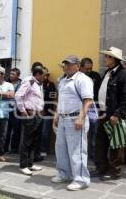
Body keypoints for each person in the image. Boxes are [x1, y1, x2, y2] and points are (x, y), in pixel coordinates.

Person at [91, 47, 126, 181]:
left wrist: (117, 114)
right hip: (103, 113)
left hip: (114, 114)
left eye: (108, 57)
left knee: (116, 144)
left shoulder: (124, 75)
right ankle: (101, 168)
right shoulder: (108, 73)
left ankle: (114, 171)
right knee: (100, 142)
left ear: (114, 59)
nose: (105, 59)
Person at [52, 55, 93, 191]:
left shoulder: (83, 79)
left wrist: (81, 118)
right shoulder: (63, 80)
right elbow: (61, 100)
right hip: (63, 119)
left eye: (69, 64)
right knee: (61, 149)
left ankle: (81, 180)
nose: (66, 66)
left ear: (77, 65)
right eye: (65, 64)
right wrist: (56, 115)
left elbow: (88, 101)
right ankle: (64, 174)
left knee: (77, 151)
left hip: (76, 119)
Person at [15, 62, 46, 176]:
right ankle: (23, 165)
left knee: (34, 141)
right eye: (43, 75)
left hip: (38, 114)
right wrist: (23, 111)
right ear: (37, 74)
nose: (45, 77)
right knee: (26, 141)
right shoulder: (30, 81)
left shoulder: (39, 84)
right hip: (29, 114)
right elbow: (18, 95)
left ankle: (30, 163)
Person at [80, 58, 102, 161]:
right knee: (80, 132)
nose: (89, 71)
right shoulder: (77, 77)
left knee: (94, 133)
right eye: (87, 68)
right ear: (81, 67)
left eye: (91, 68)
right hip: (80, 108)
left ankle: (92, 155)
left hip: (93, 108)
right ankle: (80, 153)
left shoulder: (96, 75)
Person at [5, 68, 22, 154]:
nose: (11, 75)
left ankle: (14, 149)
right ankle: (4, 148)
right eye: (10, 73)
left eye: (13, 74)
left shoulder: (21, 84)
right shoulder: (6, 83)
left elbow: (19, 96)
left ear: (18, 76)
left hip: (16, 110)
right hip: (6, 109)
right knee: (6, 130)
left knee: (16, 130)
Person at [40, 70, 56, 157]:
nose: (44, 77)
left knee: (45, 133)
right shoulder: (36, 84)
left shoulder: (51, 85)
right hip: (37, 112)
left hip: (47, 112)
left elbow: (51, 97)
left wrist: (45, 109)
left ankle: (44, 150)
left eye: (46, 75)